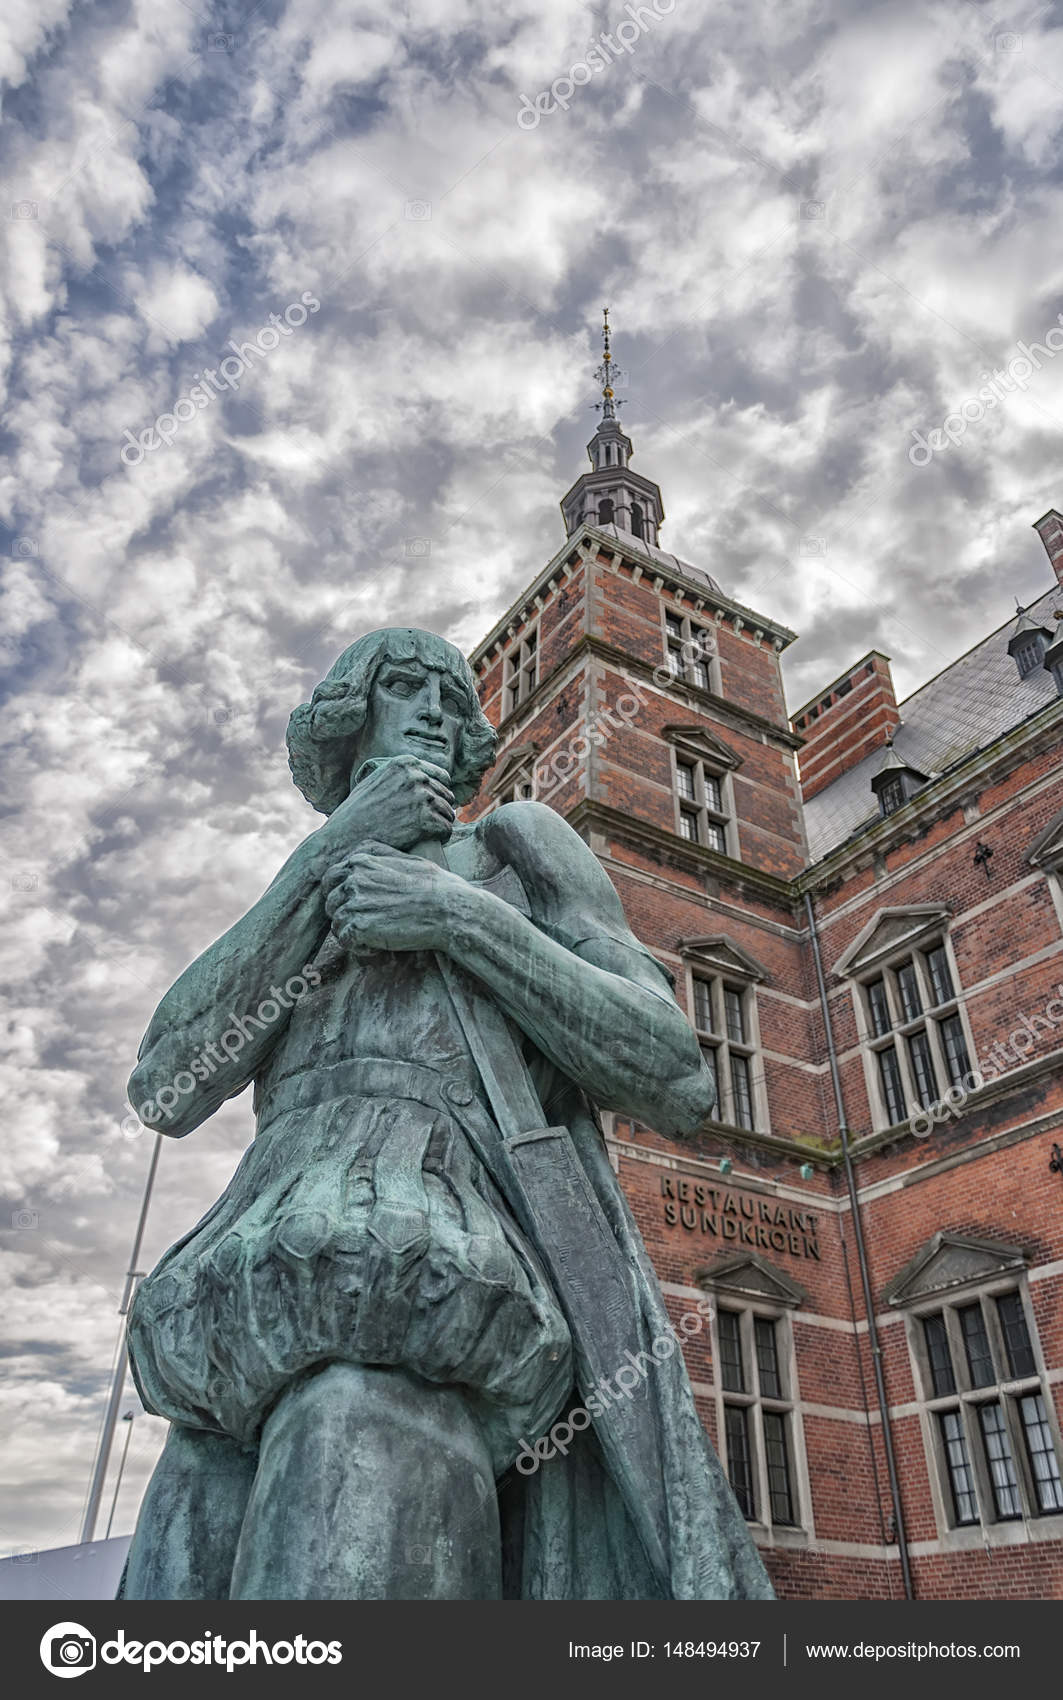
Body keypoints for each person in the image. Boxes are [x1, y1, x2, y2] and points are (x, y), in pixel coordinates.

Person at [119, 626, 772, 1601]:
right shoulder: (307, 898)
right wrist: (325, 858)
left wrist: (458, 915)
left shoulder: (510, 848)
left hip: (429, 1295)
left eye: (448, 692)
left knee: (351, 1461)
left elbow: (673, 1071)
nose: (433, 706)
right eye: (403, 686)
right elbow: (166, 1086)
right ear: (349, 723)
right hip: (243, 1317)